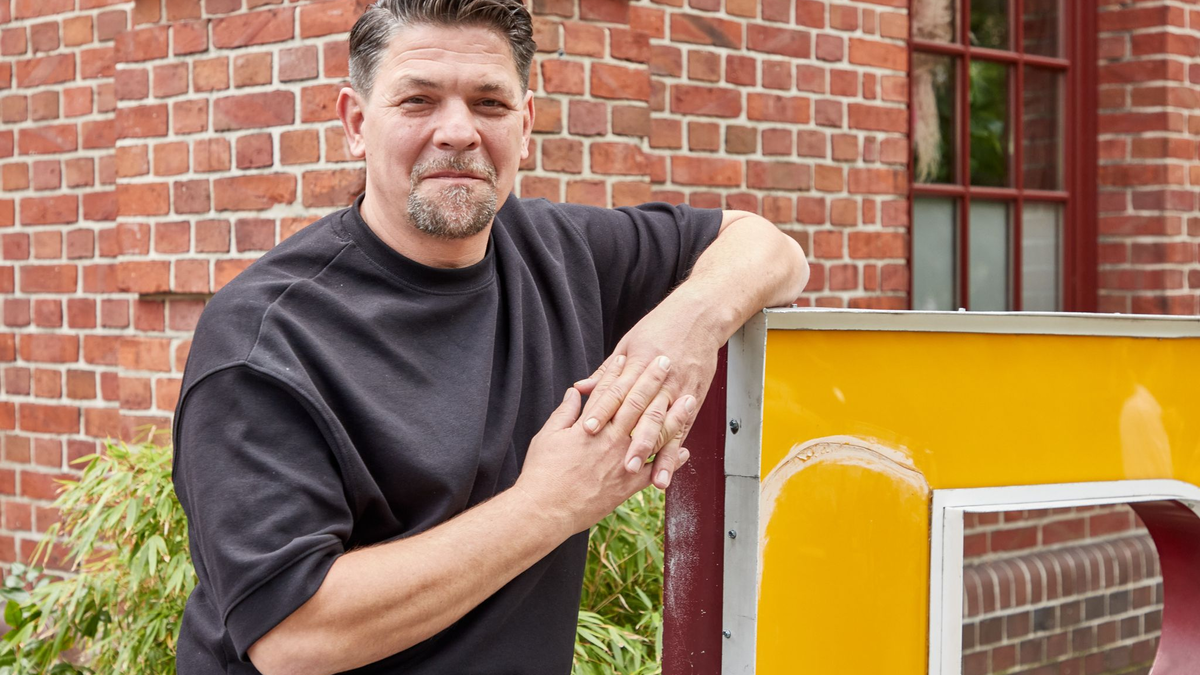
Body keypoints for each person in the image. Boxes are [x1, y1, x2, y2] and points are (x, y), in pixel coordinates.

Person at [171, 0, 809, 673]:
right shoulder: (267, 337)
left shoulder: (563, 253)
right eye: (418, 101)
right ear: (357, 124)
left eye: (489, 102)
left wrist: (686, 328)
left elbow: (770, 249)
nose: (458, 131)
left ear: (525, 123)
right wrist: (548, 506)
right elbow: (294, 637)